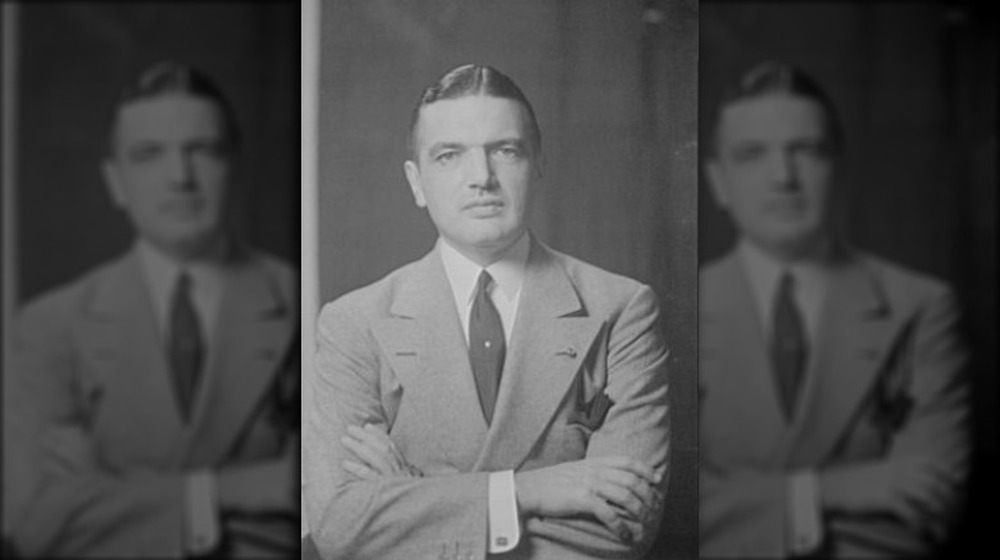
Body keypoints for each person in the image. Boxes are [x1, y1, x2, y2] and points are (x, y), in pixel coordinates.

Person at [303, 64, 671, 559]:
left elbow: (622, 524)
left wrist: (413, 496)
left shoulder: (621, 309)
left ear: (537, 163)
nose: (481, 178)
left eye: (505, 150)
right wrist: (526, 492)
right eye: (449, 156)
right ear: (416, 182)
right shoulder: (353, 323)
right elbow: (340, 524)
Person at [1, 62, 299, 557]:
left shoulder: (304, 304)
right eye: (149, 155)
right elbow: (36, 522)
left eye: (202, 150)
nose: (180, 177)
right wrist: (227, 492)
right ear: (116, 181)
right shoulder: (50, 326)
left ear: (235, 167)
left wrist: (111, 495)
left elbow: (319, 517)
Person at [698, 61, 970, 557]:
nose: (783, 178)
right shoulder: (673, 310)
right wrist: (828, 492)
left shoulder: (921, 307)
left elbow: (929, 506)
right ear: (718, 181)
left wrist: (739, 509)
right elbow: (667, 512)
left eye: (807, 151)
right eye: (753, 154)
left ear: (839, 168)